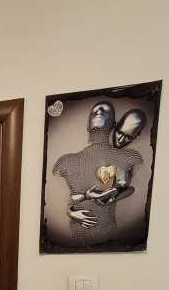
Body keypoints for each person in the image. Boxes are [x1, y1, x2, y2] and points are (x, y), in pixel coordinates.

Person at [52, 102, 147, 246]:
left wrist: (111, 199)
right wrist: (71, 212)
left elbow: (128, 189)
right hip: (78, 230)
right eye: (120, 133)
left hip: (106, 228)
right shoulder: (69, 161)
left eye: (127, 136)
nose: (121, 139)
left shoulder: (126, 158)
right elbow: (72, 198)